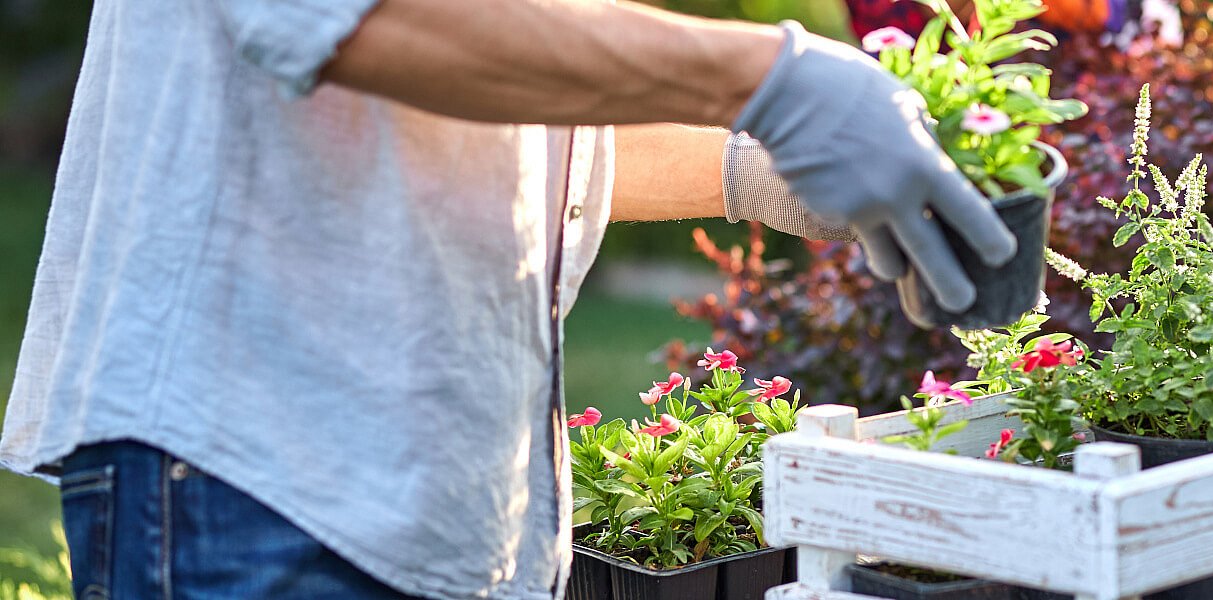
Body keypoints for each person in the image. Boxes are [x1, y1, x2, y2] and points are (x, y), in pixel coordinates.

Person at [0, 0, 1018, 597]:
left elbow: (498, 124)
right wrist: (773, 74)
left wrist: (753, 170)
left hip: (410, 497)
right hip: (262, 480)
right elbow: (375, 25)